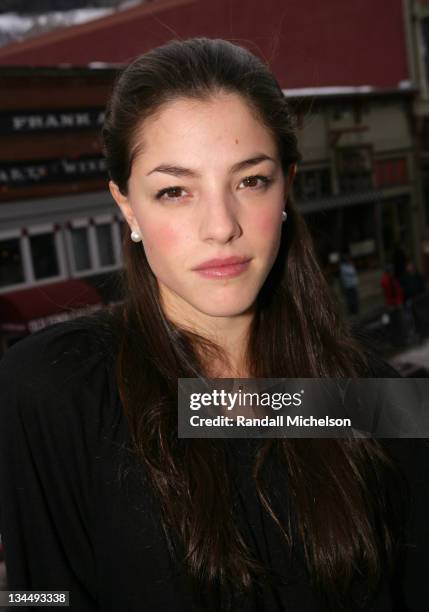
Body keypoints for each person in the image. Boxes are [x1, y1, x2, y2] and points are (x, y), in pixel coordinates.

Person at [0, 37, 428, 612]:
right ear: (126, 205)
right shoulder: (52, 392)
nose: (221, 226)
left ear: (286, 187)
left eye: (250, 180)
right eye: (175, 190)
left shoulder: (374, 400)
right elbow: (37, 596)